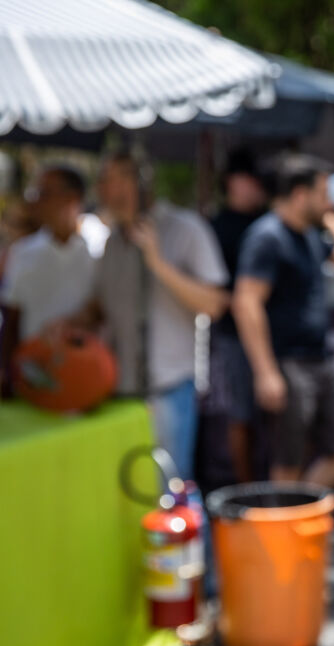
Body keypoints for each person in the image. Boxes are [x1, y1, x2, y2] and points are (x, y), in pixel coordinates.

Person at [64, 151, 230, 482]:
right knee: (129, 489)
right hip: (118, 388)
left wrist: (157, 262)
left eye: (110, 179)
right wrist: (70, 324)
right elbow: (103, 305)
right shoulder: (112, 242)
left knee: (169, 491)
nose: (103, 189)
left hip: (167, 388)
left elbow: (214, 304)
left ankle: (196, 537)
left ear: (135, 183)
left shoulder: (184, 229)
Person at [232, 153, 334, 488]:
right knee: (288, 460)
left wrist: (328, 217)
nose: (331, 202)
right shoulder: (267, 236)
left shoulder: (310, 236)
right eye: (323, 194)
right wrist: (266, 372)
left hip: (319, 360)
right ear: (300, 195)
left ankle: (298, 506)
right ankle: (281, 528)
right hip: (287, 364)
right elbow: (246, 301)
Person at [0, 167, 95, 395]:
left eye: (45, 193)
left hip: (83, 374)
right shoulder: (23, 253)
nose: (37, 200)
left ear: (72, 199)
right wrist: (6, 372)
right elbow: (12, 318)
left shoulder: (96, 256)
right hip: (32, 374)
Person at [208, 148, 268, 484]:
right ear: (233, 181)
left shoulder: (267, 221)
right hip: (232, 334)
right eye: (251, 179)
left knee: (270, 417)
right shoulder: (217, 226)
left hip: (271, 334)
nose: (257, 187)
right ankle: (245, 488)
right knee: (240, 414)